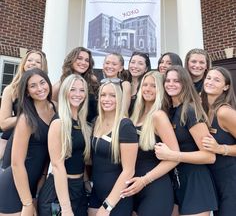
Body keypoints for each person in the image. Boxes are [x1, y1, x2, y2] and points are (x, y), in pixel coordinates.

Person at [155, 66, 218, 216]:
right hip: (176, 182)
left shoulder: (190, 111)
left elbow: (209, 156)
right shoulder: (169, 111)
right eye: (168, 80)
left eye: (177, 81)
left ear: (185, 83)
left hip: (196, 183)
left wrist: (173, 155)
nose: (171, 84)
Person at [120, 71, 179, 216]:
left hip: (155, 189)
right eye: (145, 85)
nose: (147, 89)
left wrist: (144, 180)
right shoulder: (135, 115)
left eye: (153, 86)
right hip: (134, 189)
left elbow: (174, 157)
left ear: (160, 90)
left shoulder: (159, 116)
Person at [0, 68, 55, 215]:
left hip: (34, 182)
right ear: (27, 92)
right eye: (33, 86)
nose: (40, 88)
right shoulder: (26, 119)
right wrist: (27, 203)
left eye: (42, 82)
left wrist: (38, 188)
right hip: (13, 184)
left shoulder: (55, 109)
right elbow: (16, 163)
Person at [38, 74, 91, 215]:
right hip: (59, 192)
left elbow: (79, 156)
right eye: (73, 89)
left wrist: (85, 182)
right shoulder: (58, 122)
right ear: (65, 92)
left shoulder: (82, 123)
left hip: (78, 189)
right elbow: (57, 165)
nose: (77, 94)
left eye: (82, 90)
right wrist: (66, 208)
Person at [88, 80, 138, 216]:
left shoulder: (125, 126)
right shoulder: (96, 121)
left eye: (112, 95)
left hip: (117, 199)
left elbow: (129, 171)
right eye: (103, 95)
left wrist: (108, 205)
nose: (106, 99)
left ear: (119, 99)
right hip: (96, 194)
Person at [0, 49, 48, 168]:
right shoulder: (11, 90)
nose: (32, 63)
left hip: (37, 144)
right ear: (23, 63)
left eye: (38, 62)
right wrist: (27, 116)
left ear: (43, 67)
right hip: (12, 141)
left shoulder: (44, 90)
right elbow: (4, 123)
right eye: (29, 60)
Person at [201, 67, 236, 216]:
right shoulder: (203, 109)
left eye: (217, 80)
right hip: (214, 179)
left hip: (231, 180)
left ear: (226, 86)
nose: (210, 82)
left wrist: (222, 149)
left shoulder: (224, 112)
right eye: (208, 78)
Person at [52, 47, 99, 123]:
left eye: (87, 60)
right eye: (79, 58)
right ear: (71, 60)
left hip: (91, 127)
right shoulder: (59, 86)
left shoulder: (92, 80)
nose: (83, 62)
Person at [127, 51, 151, 116]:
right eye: (133, 62)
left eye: (140, 63)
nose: (135, 66)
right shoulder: (124, 84)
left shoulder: (148, 88)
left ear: (146, 69)